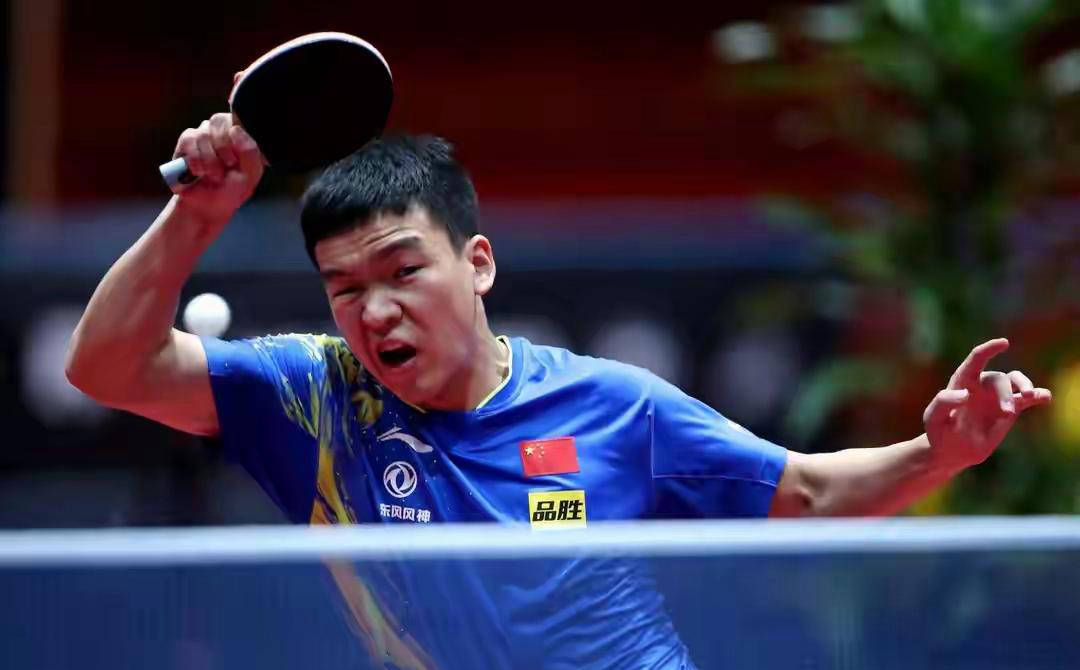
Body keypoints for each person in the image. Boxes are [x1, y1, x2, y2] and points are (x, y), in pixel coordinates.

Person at [66, 113, 1052, 669]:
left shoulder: (613, 406)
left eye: (403, 270)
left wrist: (941, 453)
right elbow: (106, 366)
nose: (376, 310)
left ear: (478, 263)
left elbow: (810, 491)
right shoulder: (316, 399)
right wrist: (196, 217)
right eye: (346, 289)